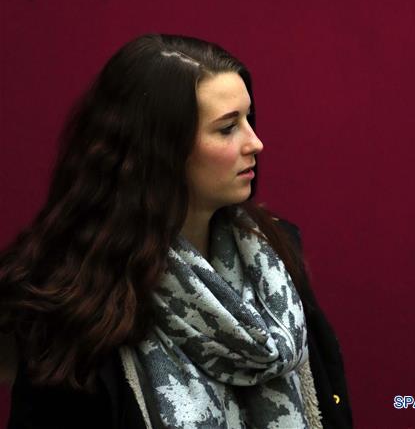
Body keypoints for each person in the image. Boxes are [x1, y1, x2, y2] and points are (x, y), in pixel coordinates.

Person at [0, 34, 353, 428]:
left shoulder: (275, 264)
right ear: (161, 150)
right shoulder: (80, 313)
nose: (256, 143)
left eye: (248, 119)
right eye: (227, 128)